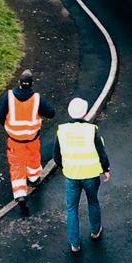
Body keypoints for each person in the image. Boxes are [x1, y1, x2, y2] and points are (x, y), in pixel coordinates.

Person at [53, 98, 110, 254]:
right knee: (93, 202)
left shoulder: (62, 131)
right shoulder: (92, 130)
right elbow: (101, 154)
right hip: (91, 175)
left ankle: (75, 244)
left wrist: (64, 167)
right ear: (85, 113)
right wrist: (106, 169)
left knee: (71, 208)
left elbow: (56, 156)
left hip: (72, 176)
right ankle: (95, 231)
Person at [0, 69, 56, 216]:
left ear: (19, 83)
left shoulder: (8, 97)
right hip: (32, 138)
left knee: (16, 166)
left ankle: (20, 194)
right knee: (33, 159)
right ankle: (34, 178)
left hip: (15, 140)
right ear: (32, 84)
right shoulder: (36, 99)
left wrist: (8, 127)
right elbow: (51, 112)